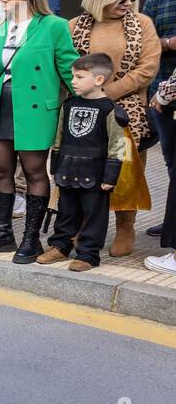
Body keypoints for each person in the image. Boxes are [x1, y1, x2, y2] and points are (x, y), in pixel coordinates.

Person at [0, 0, 77, 264]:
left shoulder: (54, 26)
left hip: (36, 110)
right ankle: (3, 232)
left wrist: (92, 101)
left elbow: (70, 69)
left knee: (34, 173)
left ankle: (31, 239)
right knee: (1, 172)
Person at [66, 0, 159, 258]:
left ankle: (125, 226)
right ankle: (83, 226)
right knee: (84, 169)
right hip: (84, 112)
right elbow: (68, 65)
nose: (130, 3)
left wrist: (106, 94)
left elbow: (147, 68)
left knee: (126, 171)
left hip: (125, 112)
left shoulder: (142, 24)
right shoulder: (74, 26)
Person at [36, 54, 129, 271]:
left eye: (79, 77)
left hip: (95, 173)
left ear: (98, 80)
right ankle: (60, 246)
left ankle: (88, 254)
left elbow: (118, 145)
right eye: (72, 76)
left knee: (94, 215)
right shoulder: (68, 105)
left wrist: (110, 176)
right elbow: (59, 138)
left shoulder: (111, 110)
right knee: (66, 211)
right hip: (67, 170)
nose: (73, 81)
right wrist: (55, 168)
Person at [144, 0, 176, 237]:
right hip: (164, 94)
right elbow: (147, 43)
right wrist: (168, 43)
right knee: (170, 158)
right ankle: (171, 221)